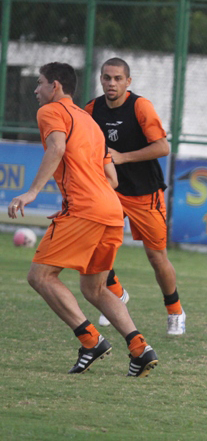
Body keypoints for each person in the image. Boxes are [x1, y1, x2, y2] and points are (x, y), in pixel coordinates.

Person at [7, 62, 158, 376]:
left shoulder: (51, 111)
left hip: (84, 209)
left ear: (56, 86)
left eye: (40, 83)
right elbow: (112, 178)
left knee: (40, 276)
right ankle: (140, 349)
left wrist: (33, 191)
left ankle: (91, 340)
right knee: (96, 289)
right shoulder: (90, 122)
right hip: (111, 211)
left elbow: (57, 147)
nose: (36, 90)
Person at [85, 57, 185, 336]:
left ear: (128, 82)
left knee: (156, 257)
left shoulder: (140, 106)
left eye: (117, 78)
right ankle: (116, 295)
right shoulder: (92, 109)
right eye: (106, 77)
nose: (111, 83)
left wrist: (122, 158)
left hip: (145, 193)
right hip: (110, 192)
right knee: (94, 246)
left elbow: (162, 147)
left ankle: (175, 310)